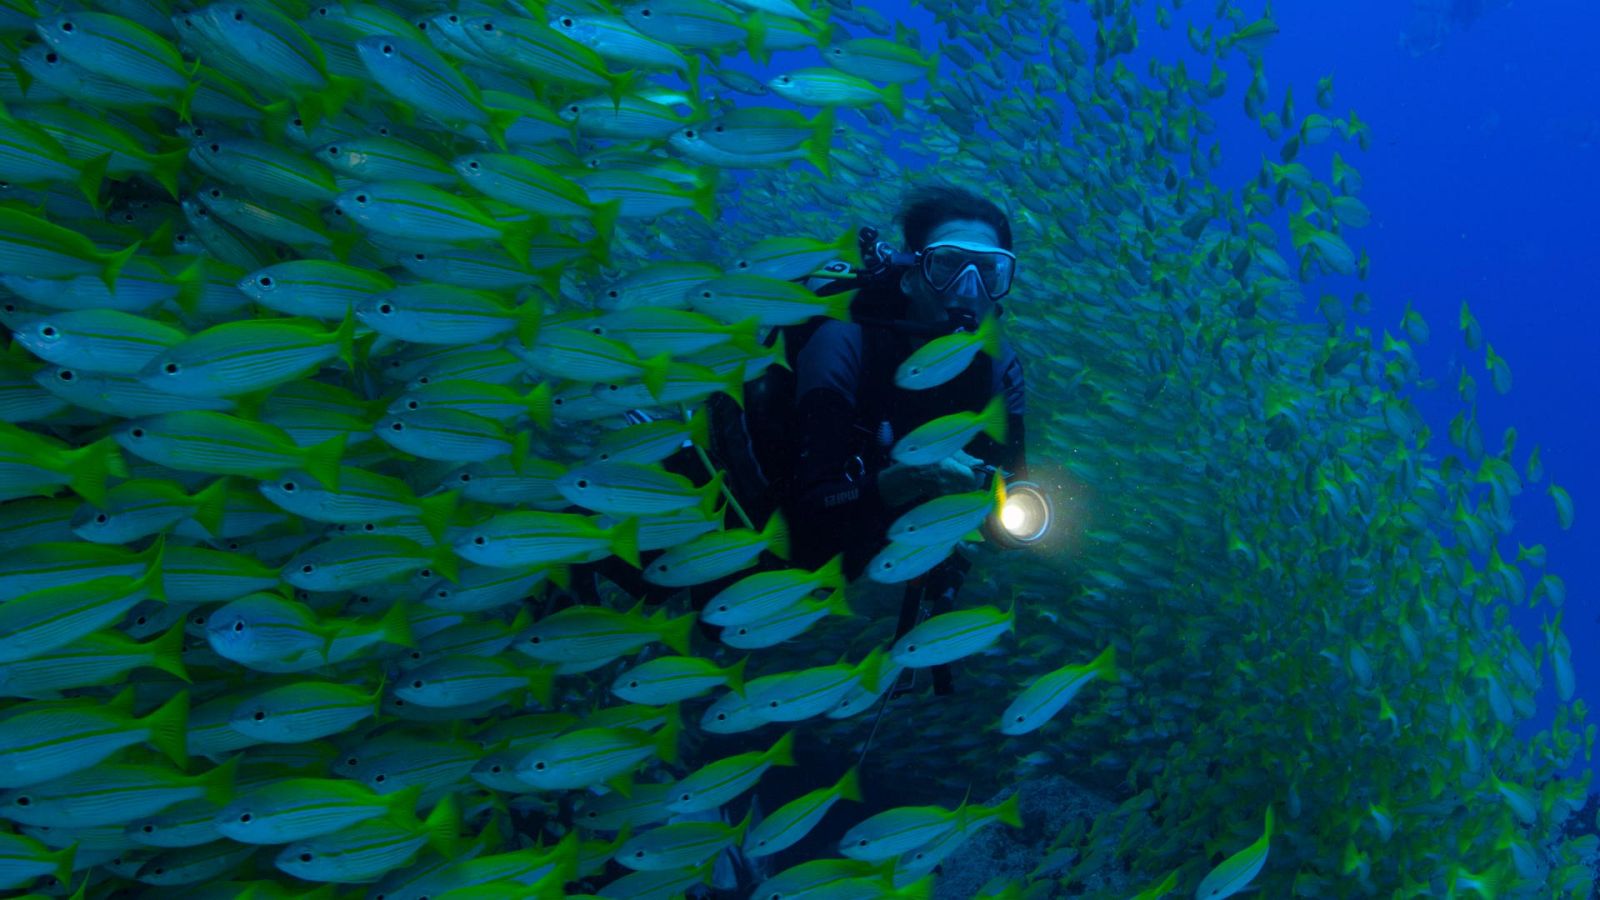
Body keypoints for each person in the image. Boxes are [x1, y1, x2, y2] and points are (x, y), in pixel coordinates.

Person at [776, 184, 1028, 580]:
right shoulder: (846, 340)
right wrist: (910, 479)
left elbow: (1012, 502)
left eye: (988, 271)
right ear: (910, 276)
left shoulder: (1000, 368)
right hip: (748, 528)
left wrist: (990, 514)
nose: (968, 288)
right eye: (947, 264)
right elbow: (806, 511)